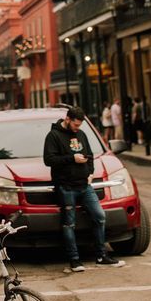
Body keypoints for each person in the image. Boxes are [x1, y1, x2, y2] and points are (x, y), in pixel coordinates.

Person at [43, 106, 123, 272]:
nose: (77, 128)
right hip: (65, 186)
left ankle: (101, 255)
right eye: (75, 125)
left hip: (84, 185)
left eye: (80, 125)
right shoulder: (53, 136)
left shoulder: (81, 135)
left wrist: (91, 173)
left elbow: (90, 156)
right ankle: (74, 260)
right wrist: (72, 158)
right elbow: (49, 160)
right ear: (67, 119)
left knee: (99, 216)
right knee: (69, 224)